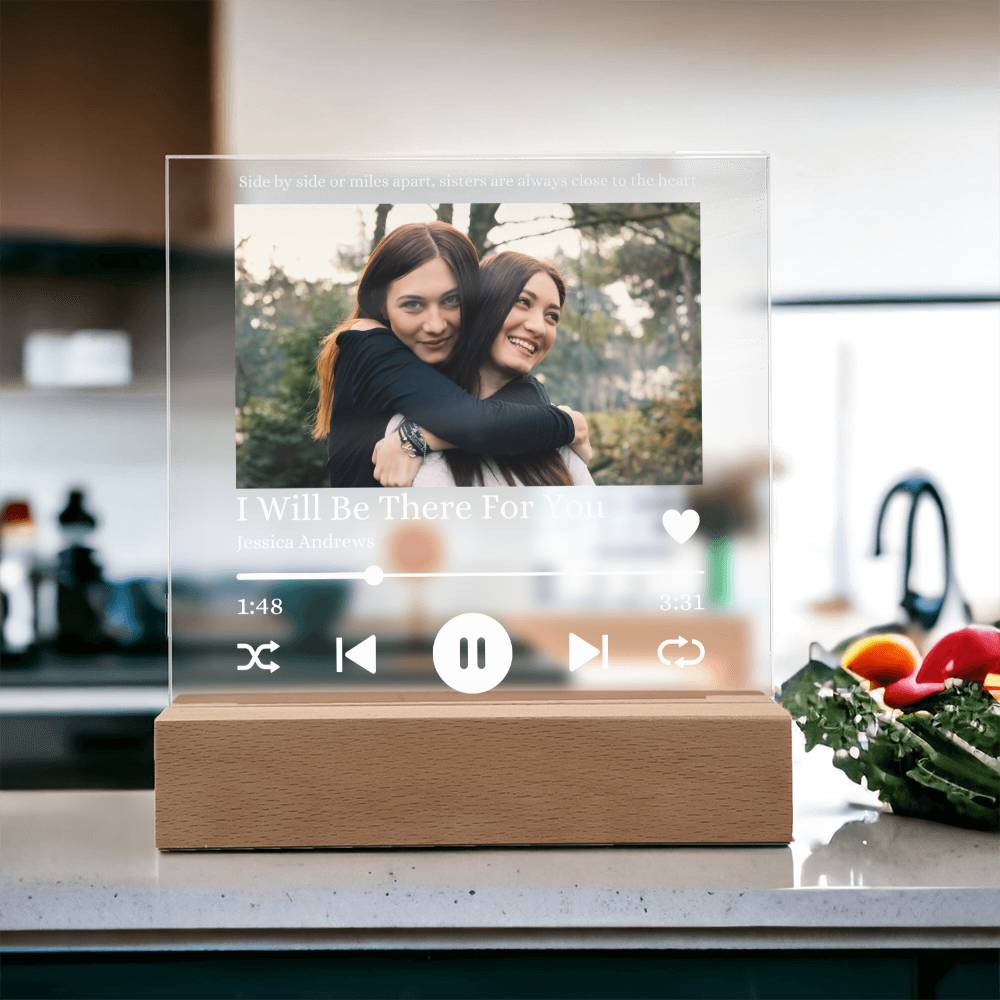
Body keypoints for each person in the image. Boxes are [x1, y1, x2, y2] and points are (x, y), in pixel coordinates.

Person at [313, 222, 591, 487]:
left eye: (451, 300)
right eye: (412, 304)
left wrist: (419, 436)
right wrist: (570, 423)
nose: (435, 326)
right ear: (382, 305)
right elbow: (477, 423)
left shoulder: (439, 369)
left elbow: (512, 400)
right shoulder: (368, 344)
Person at [373, 252, 594, 487]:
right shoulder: (401, 431)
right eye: (523, 302)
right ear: (481, 306)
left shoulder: (554, 432)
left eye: (552, 316)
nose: (539, 327)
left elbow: (591, 518)